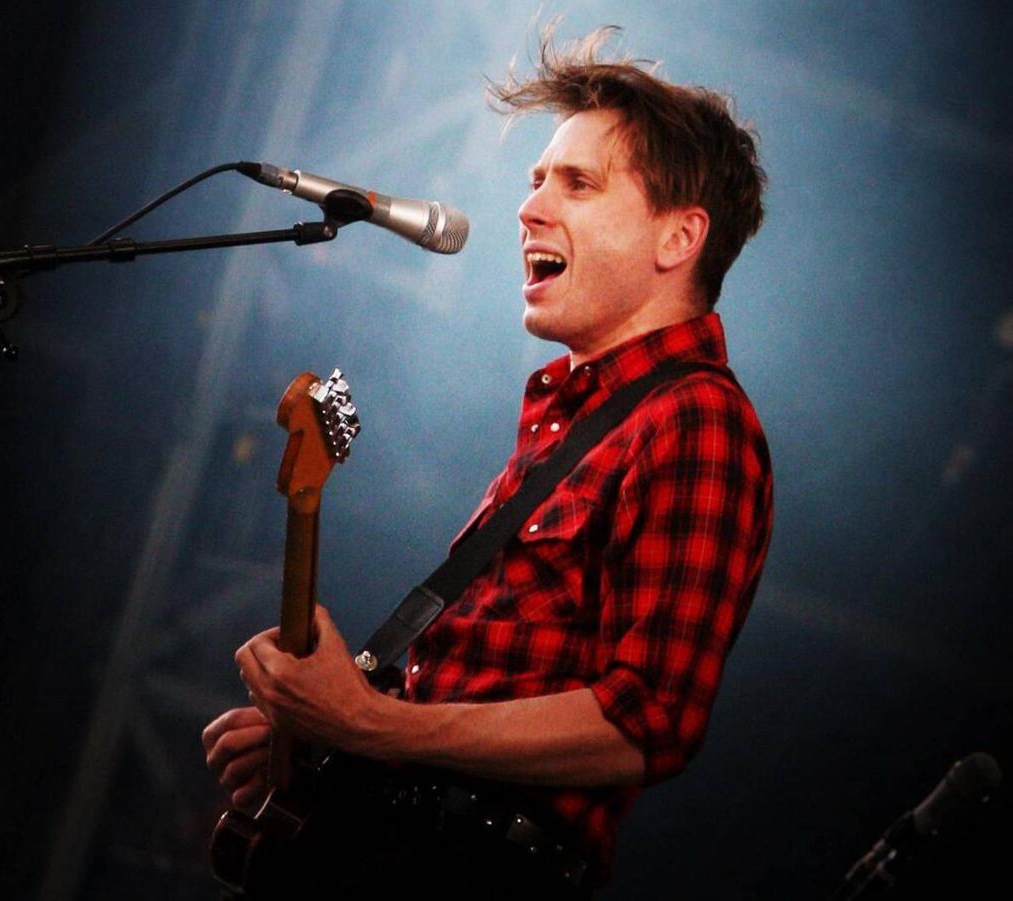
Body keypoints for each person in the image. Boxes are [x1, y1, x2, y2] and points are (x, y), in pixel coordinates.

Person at [203, 26, 772, 898]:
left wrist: (369, 723)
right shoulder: (570, 424)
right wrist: (329, 738)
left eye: (578, 183)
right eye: (538, 178)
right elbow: (488, 680)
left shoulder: (695, 418)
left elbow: (646, 722)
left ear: (677, 237)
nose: (530, 206)